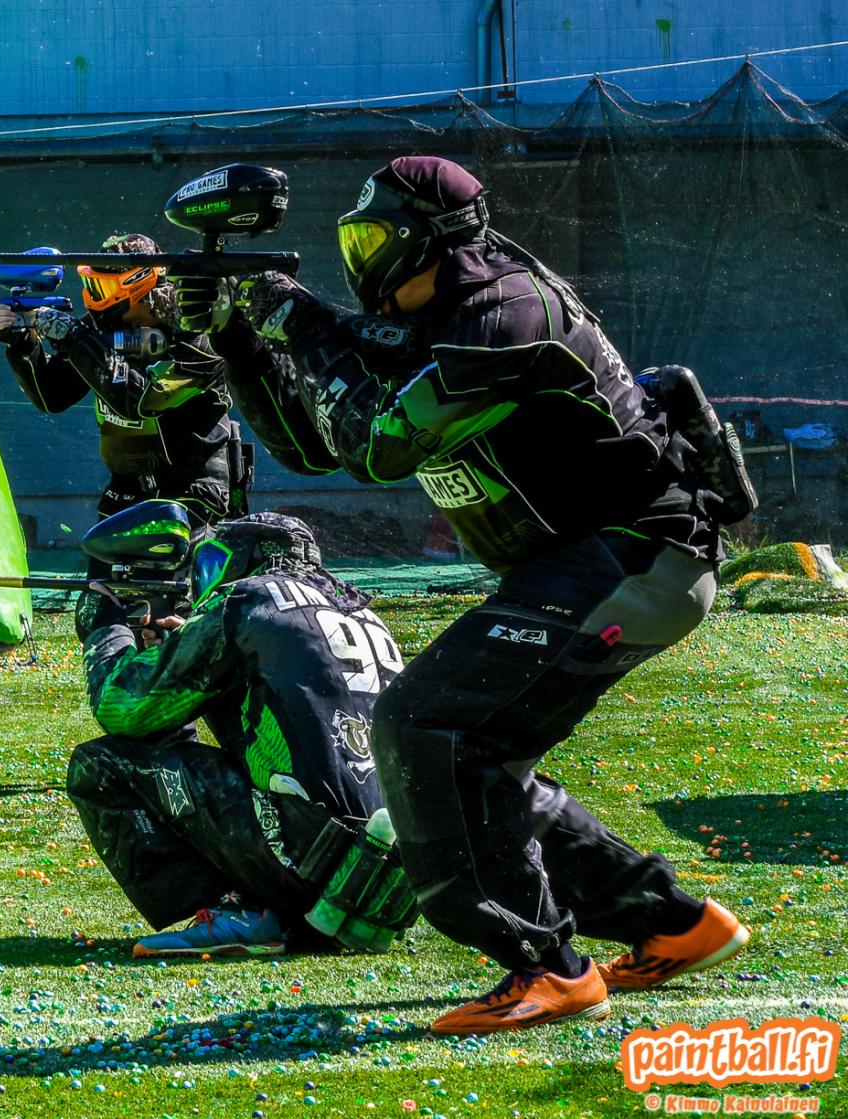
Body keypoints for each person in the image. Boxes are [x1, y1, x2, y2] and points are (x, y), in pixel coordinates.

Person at [183, 156, 751, 1031]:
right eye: (355, 243)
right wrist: (239, 339)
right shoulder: (438, 323)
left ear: (430, 242)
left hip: (637, 557)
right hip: (590, 564)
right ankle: (675, 923)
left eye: (376, 240)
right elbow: (311, 442)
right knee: (477, 751)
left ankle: (548, 966)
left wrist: (296, 319)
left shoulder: (507, 313)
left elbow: (376, 443)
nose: (363, 262)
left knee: (426, 725)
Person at [68, 512, 416, 958]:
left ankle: (240, 909)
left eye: (213, 563)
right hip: (384, 879)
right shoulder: (364, 616)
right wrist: (184, 646)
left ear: (242, 559)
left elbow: (123, 709)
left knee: (100, 766)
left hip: (303, 859)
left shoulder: (247, 599)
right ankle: (276, 909)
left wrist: (105, 631)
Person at [0, 234, 250, 627]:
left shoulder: (197, 333)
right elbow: (52, 395)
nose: (95, 301)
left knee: (175, 610)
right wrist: (21, 341)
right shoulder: (99, 329)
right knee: (102, 609)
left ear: (136, 287)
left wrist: (77, 340)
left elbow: (140, 400)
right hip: (125, 487)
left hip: (190, 487)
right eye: (91, 286)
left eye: (103, 288)